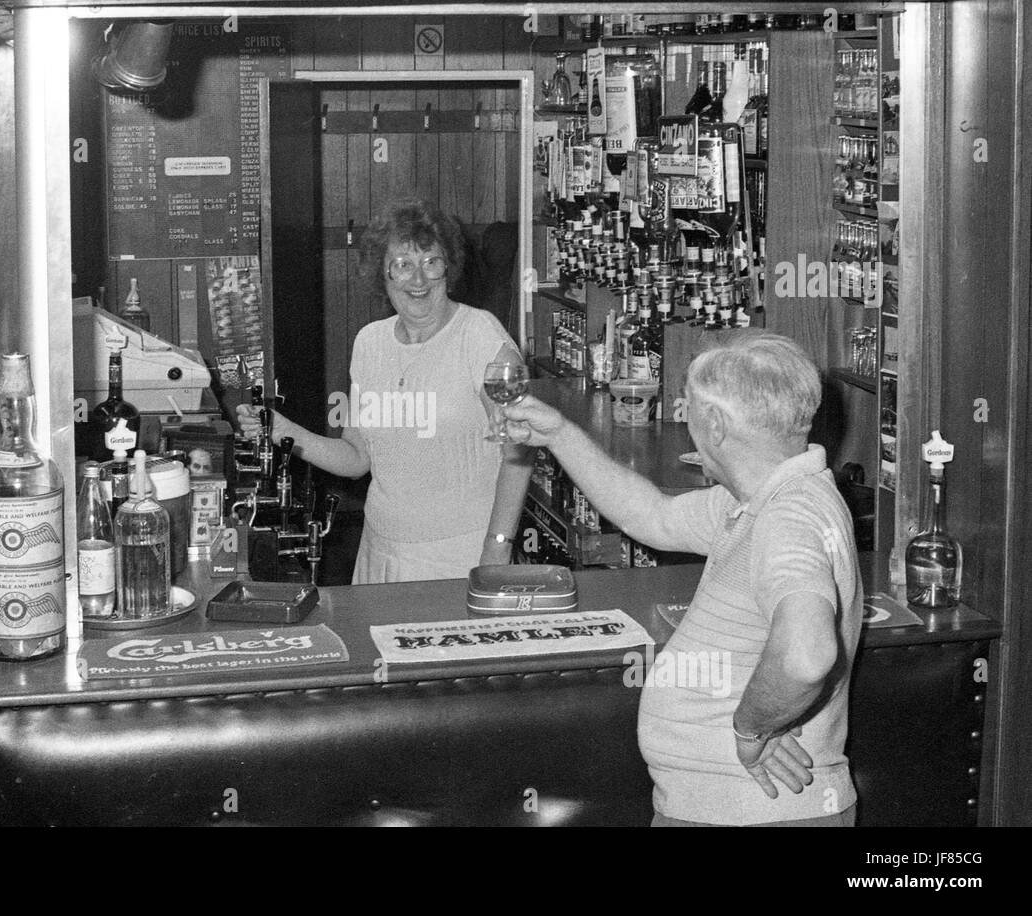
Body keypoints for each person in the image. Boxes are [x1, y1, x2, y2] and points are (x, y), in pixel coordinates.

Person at [504, 331, 862, 826]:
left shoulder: (789, 517)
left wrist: (752, 729)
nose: (681, 413)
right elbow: (651, 514)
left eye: (687, 405)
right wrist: (559, 434)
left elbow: (807, 654)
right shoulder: (765, 496)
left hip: (753, 812)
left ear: (714, 423)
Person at [238, 199, 533, 583]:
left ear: (449, 267)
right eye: (403, 265)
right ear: (384, 273)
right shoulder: (369, 344)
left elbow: (519, 450)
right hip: (379, 552)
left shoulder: (481, 337)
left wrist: (498, 545)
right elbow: (357, 455)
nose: (418, 279)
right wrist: (282, 431)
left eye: (432, 262)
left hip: (461, 555)